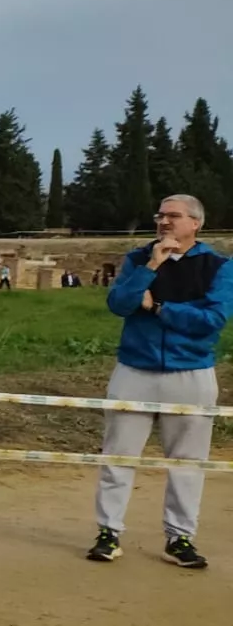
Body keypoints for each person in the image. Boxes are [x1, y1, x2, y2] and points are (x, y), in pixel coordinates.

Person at [86, 194, 228, 568]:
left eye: (174, 216)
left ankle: (179, 537)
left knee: (188, 461)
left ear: (195, 223)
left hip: (191, 373)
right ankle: (108, 532)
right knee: (118, 454)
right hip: (135, 370)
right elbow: (119, 303)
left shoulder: (218, 266)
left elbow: (212, 320)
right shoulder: (137, 259)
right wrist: (152, 265)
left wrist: (159, 307)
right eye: (160, 215)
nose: (164, 222)